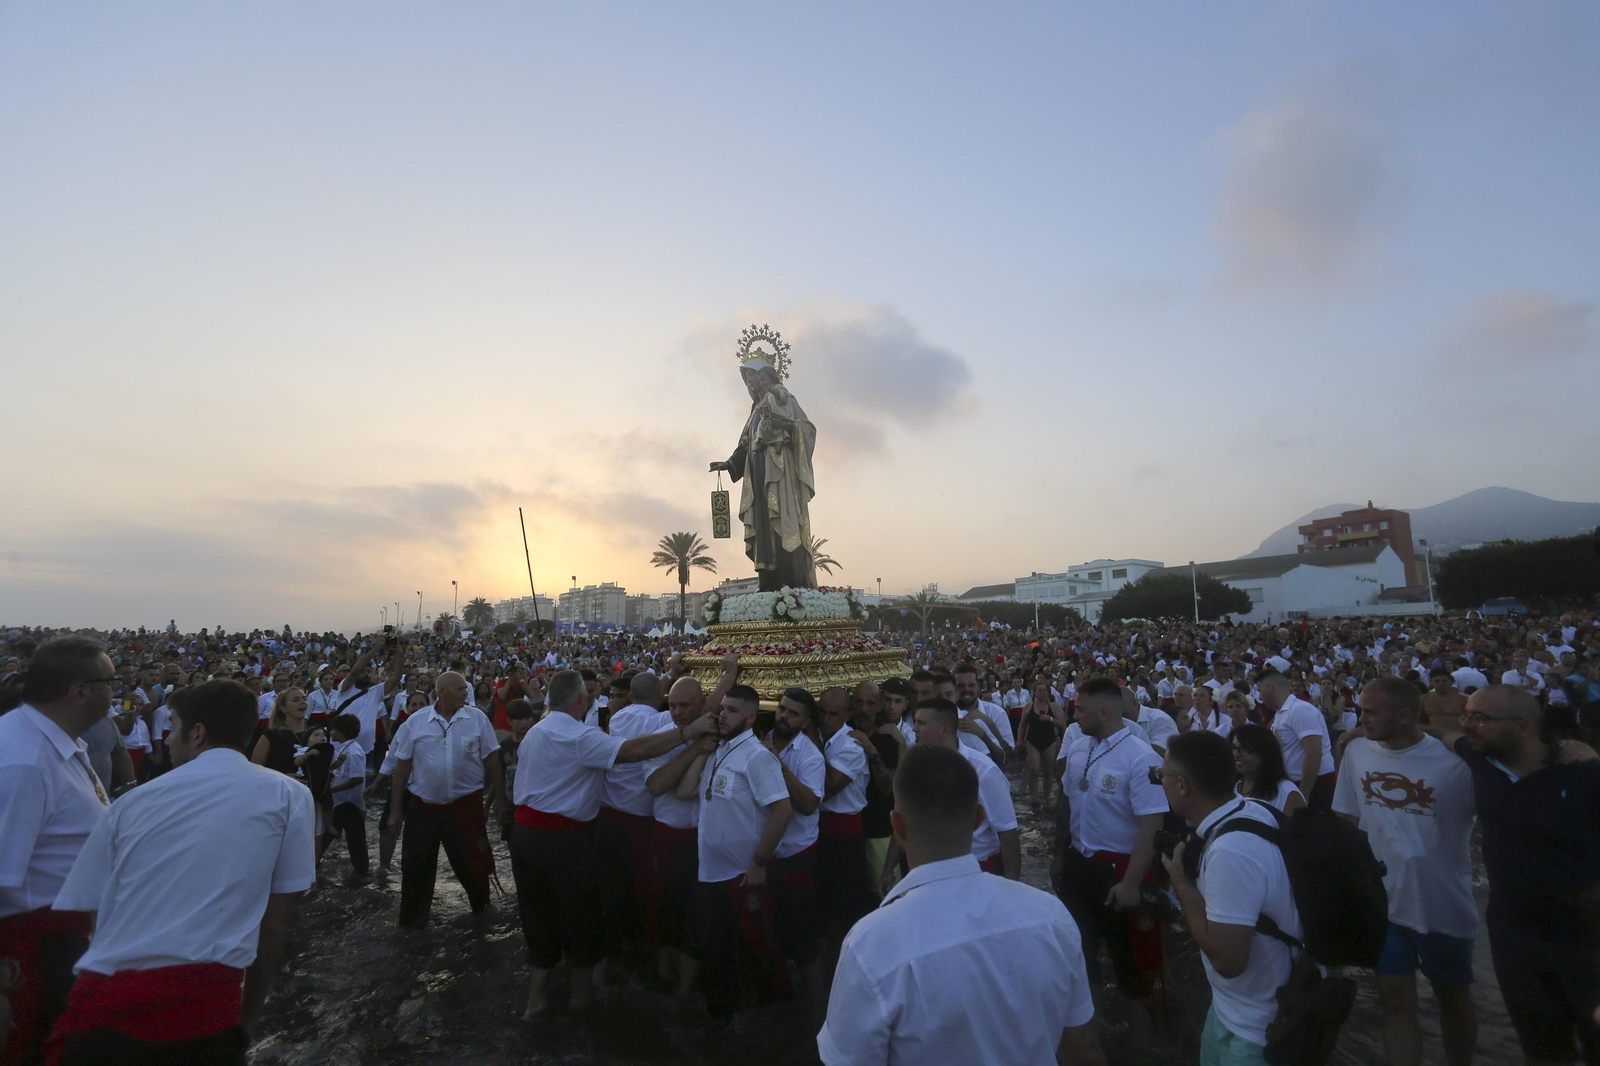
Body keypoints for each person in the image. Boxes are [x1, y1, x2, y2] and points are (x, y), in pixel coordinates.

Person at [47, 679, 314, 1065]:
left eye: (172, 726)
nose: (168, 739)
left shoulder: (129, 803)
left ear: (198, 733)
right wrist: (247, 1020)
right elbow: (273, 925)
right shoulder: (288, 795)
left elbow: (94, 914)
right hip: (203, 1009)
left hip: (102, 1004)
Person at [818, 744, 1103, 1066]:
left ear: (897, 826)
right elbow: (1083, 1049)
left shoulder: (869, 944)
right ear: (979, 818)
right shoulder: (1052, 917)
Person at [510, 669, 715, 1019]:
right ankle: (580, 1000)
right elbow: (634, 752)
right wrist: (688, 734)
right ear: (581, 700)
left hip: (524, 838)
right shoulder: (578, 735)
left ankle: (536, 1000)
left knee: (537, 914)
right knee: (580, 916)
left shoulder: (535, 731)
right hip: (562, 840)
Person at [1432, 686, 1600, 1064]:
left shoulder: (1585, 775)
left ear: (1523, 727)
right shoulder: (1482, 761)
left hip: (1586, 946)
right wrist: (1361, 731)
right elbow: (1442, 734)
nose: (1467, 724)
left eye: (1479, 718)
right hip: (1515, 940)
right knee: (1542, 1050)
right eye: (1467, 714)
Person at [1334, 677, 1477, 1066]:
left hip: (1442, 907)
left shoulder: (1456, 761)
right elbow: (1348, 819)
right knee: (1395, 1005)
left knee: (1454, 1002)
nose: (1360, 717)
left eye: (1369, 711)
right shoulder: (1358, 752)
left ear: (1402, 715)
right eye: (1360, 709)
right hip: (1384, 904)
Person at [1156, 730, 1302, 1065]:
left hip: (1255, 1030)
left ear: (1182, 785)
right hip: (1230, 1010)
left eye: (1160, 776)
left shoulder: (1231, 850)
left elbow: (1229, 961)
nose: (1159, 782)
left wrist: (1180, 881)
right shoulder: (1251, 809)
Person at [0, 638, 111, 1065]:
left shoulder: (57, 744)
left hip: (64, 942)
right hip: (28, 954)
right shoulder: (22, 760)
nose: (116, 692)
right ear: (79, 692)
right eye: (109, 682)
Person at [669, 684, 793, 1023]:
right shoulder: (718, 750)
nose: (723, 715)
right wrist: (700, 750)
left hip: (741, 875)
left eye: (732, 710)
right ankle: (722, 1021)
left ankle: (765, 1026)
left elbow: (783, 810)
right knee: (717, 952)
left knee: (751, 951)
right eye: (722, 709)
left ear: (751, 717)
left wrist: (758, 864)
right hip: (711, 872)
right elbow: (684, 791)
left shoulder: (756, 756)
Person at [1053, 676, 1168, 1043]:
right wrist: (1060, 856)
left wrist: (1132, 883)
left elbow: (1151, 826)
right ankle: (1096, 1033)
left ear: (1104, 711)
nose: (1075, 714)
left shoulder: (1141, 756)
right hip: (1079, 863)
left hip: (1121, 869)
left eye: (1081, 708)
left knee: (1132, 963)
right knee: (1080, 954)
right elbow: (1068, 804)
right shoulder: (1078, 749)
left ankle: (1141, 1043)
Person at [385, 672, 506, 929]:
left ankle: (482, 916)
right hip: (423, 808)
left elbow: (493, 760)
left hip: (466, 807)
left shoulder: (477, 719)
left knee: (474, 864)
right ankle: (412, 926)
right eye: (461, 689)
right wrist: (396, 810)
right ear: (442, 692)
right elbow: (402, 767)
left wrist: (501, 799)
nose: (466, 692)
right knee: (416, 868)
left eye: (466, 688)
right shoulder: (415, 722)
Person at [708, 347, 819, 591]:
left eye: (752, 376)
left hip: (780, 472)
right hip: (757, 474)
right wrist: (729, 463)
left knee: (783, 521)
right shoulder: (755, 412)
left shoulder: (786, 399)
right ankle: (768, 582)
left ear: (765, 376)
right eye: (746, 378)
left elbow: (808, 429)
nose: (749, 383)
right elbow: (746, 444)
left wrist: (787, 426)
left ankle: (792, 583)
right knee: (763, 526)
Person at [882, 698, 1019, 880]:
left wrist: (1010, 887)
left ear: (944, 729)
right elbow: (904, 820)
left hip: (978, 870)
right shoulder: (915, 765)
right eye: (915, 721)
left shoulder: (984, 771)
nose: (914, 728)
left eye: (921, 723)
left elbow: (1008, 831)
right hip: (929, 870)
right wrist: (889, 869)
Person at [642, 677, 719, 1000]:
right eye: (672, 705)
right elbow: (657, 785)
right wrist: (695, 748)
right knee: (664, 907)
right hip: (669, 834)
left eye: (685, 706)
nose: (677, 713)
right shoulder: (659, 737)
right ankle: (666, 975)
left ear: (703, 705)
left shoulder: (718, 732)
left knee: (699, 912)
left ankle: (686, 987)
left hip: (705, 836)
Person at [594, 671, 668, 975]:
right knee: (641, 888)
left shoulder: (619, 718)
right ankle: (638, 953)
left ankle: (606, 958)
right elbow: (698, 721)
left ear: (630, 696)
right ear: (662, 699)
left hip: (607, 814)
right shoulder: (660, 722)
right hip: (638, 819)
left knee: (609, 887)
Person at [763, 687, 828, 1004]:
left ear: (805, 722)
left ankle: (816, 1007)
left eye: (793, 713)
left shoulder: (810, 756)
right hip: (762, 852)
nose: (784, 716)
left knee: (803, 937)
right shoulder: (758, 740)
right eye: (782, 709)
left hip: (795, 855)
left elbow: (808, 805)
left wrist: (779, 765)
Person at [1258, 670, 1335, 810]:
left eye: (1260, 690)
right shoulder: (1282, 713)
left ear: (1270, 687)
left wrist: (1304, 793)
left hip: (1315, 785)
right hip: (1296, 783)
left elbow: (1314, 751)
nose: (1259, 696)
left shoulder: (1300, 710)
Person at [326, 713, 369, 885]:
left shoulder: (354, 752)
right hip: (340, 800)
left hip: (349, 802)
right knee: (330, 832)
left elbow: (357, 778)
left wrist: (332, 790)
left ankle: (362, 871)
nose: (330, 732)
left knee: (355, 837)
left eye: (333, 729)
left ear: (341, 732)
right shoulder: (345, 748)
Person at [1230, 724, 1306, 814]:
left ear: (1264, 753)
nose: (1236, 754)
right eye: (1234, 748)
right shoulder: (1232, 786)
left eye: (1244, 749)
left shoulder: (1286, 793)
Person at [1018, 679, 1066, 809]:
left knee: (1048, 771)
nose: (1043, 693)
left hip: (1049, 741)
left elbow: (1063, 725)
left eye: (1045, 690)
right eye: (1040, 690)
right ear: (1034, 692)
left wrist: (1050, 719)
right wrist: (1019, 739)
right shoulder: (1028, 706)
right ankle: (1034, 798)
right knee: (1033, 769)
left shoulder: (1054, 707)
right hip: (1032, 741)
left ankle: (1045, 798)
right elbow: (1022, 725)